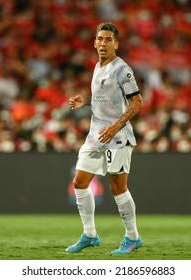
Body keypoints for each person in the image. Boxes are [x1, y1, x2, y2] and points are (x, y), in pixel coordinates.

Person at [66, 22, 143, 254]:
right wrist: (85, 102)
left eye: (108, 39)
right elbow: (107, 100)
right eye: (100, 38)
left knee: (118, 187)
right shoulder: (98, 67)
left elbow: (137, 102)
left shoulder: (122, 69)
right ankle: (89, 234)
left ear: (116, 44)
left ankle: (132, 237)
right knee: (79, 182)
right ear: (94, 42)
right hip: (95, 136)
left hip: (118, 136)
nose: (103, 43)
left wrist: (116, 126)